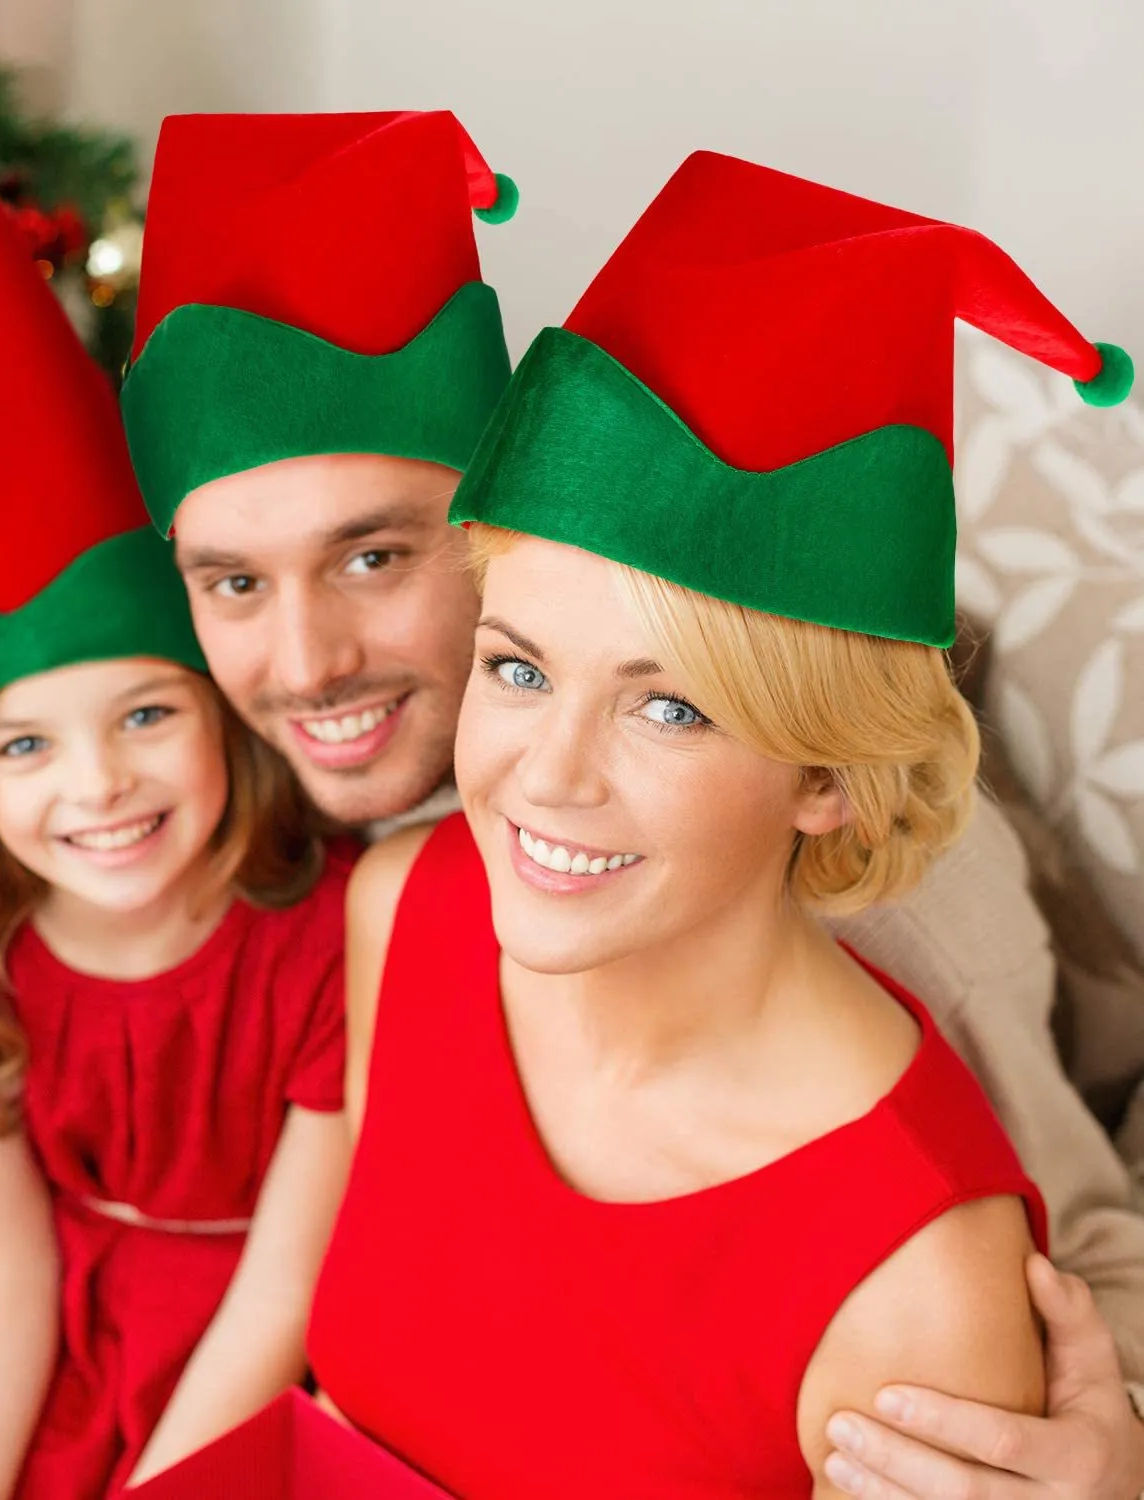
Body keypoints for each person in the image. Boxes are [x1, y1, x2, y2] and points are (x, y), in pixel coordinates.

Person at [0, 113, 1144, 1500]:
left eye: (376, 558)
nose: (305, 667)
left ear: (498, 521)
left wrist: (1105, 1448)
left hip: (426, 1331)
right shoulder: (275, 766)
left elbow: (1061, 1254)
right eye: (233, 581)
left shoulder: (875, 913)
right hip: (193, 1258)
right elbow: (46, 789)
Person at [306, 150, 1142, 1498]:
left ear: (827, 780)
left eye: (672, 710)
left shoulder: (918, 1287)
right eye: (519, 667)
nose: (546, 777)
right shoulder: (407, 907)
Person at [0, 54, 347, 1500]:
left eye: (144, 714)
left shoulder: (330, 941)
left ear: (219, 711)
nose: (98, 788)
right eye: (26, 743)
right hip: (62, 1351)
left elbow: (289, 1289)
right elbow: (3, 1276)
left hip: (271, 1369)